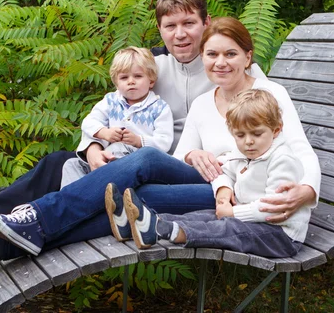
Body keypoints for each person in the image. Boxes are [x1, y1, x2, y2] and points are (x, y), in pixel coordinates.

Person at [0, 0, 317, 269]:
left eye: (190, 24)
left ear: (207, 25)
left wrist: (306, 189)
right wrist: (92, 147)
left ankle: (26, 225)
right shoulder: (158, 67)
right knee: (56, 163)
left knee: (131, 184)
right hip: (157, 163)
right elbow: (120, 108)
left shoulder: (250, 83)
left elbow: (297, 150)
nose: (181, 35)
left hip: (214, 180)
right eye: (170, 27)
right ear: (159, 30)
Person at [116, 88, 308, 258]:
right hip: (250, 220)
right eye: (240, 135)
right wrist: (223, 189)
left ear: (276, 130)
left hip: (280, 235)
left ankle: (167, 231)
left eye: (257, 134)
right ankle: (141, 225)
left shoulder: (282, 160)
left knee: (227, 227)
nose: (248, 141)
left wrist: (232, 212)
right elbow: (224, 171)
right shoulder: (244, 152)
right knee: (202, 215)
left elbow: (275, 208)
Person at [60, 46, 173, 186]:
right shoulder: (110, 101)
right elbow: (89, 122)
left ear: (151, 81)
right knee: (71, 164)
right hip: (105, 158)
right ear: (117, 83)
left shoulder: (159, 107)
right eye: (124, 77)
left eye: (138, 76)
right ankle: (71, 201)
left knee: (119, 148)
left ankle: (105, 193)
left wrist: (139, 140)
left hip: (137, 161)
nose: (131, 81)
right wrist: (104, 133)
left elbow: (165, 141)